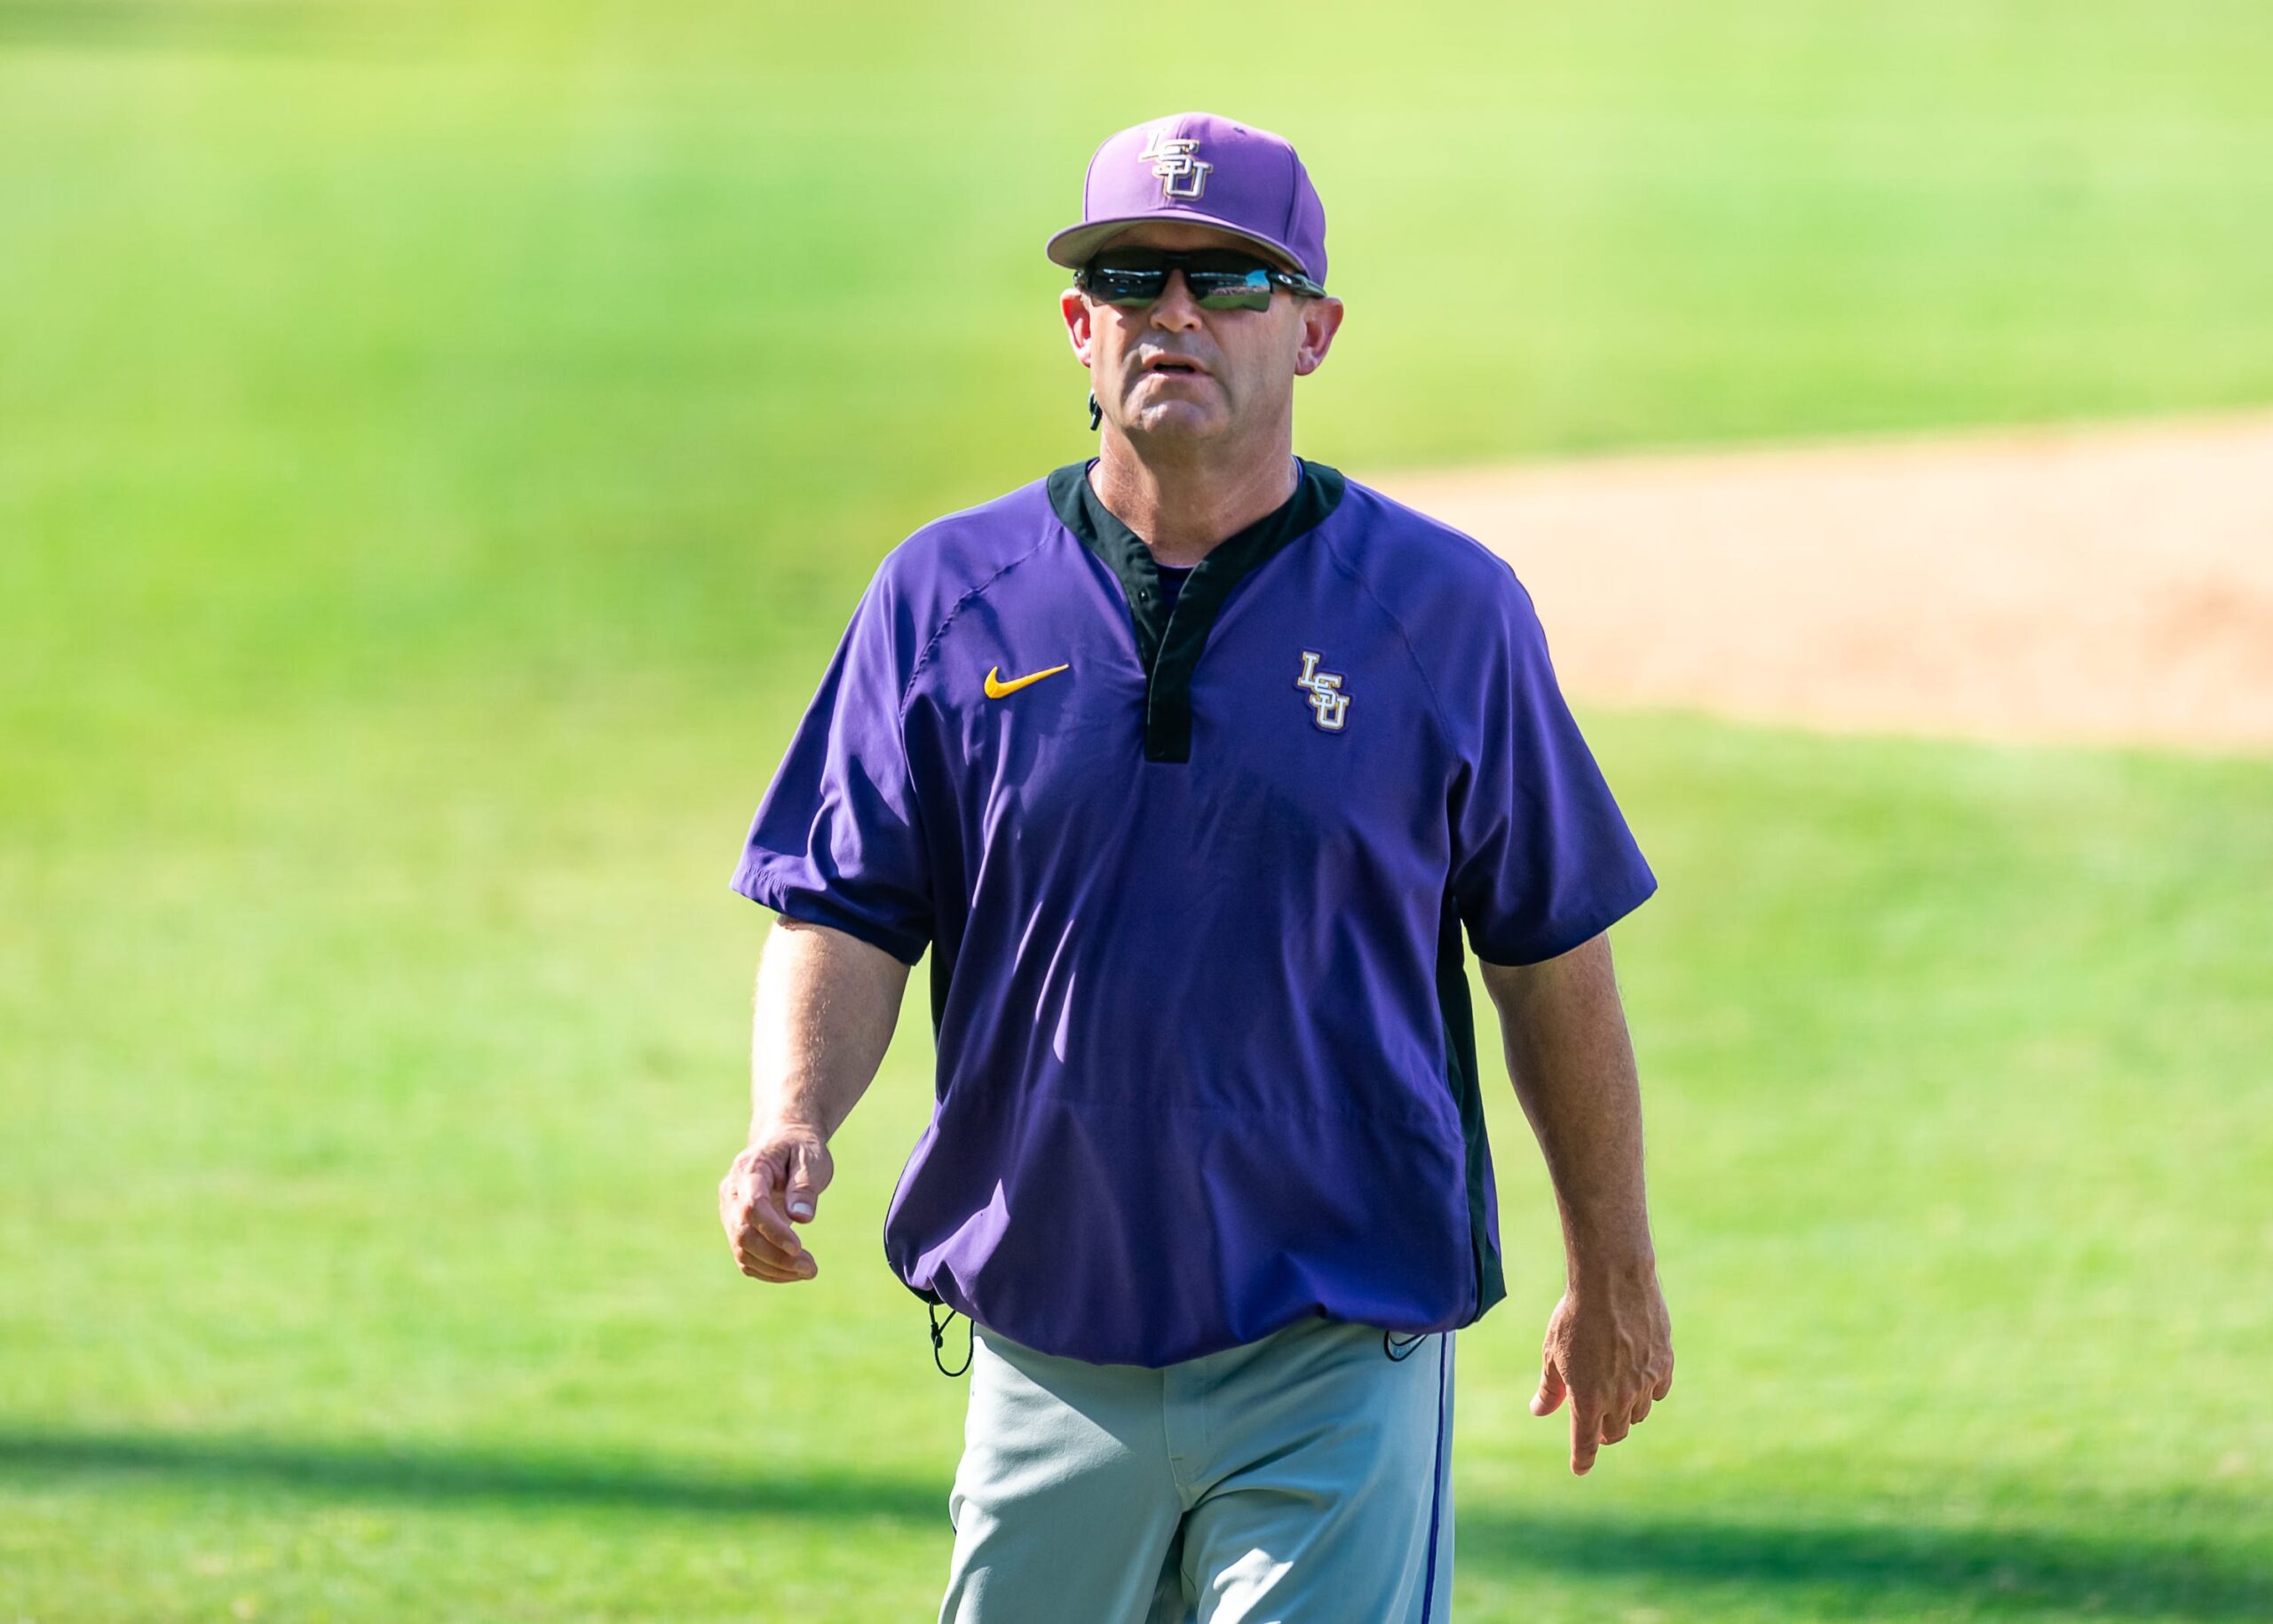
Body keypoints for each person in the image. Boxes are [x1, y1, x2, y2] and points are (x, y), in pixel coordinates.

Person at [718, 110, 1675, 1623]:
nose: (1176, 312)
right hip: (1048, 1343)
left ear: (1314, 332)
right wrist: (791, 1115)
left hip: (1332, 1342)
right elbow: (846, 904)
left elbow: (1550, 949)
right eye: (1135, 275)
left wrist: (1612, 1263)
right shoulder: (947, 597)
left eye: (1228, 281)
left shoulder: (1446, 613)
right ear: (1077, 325)